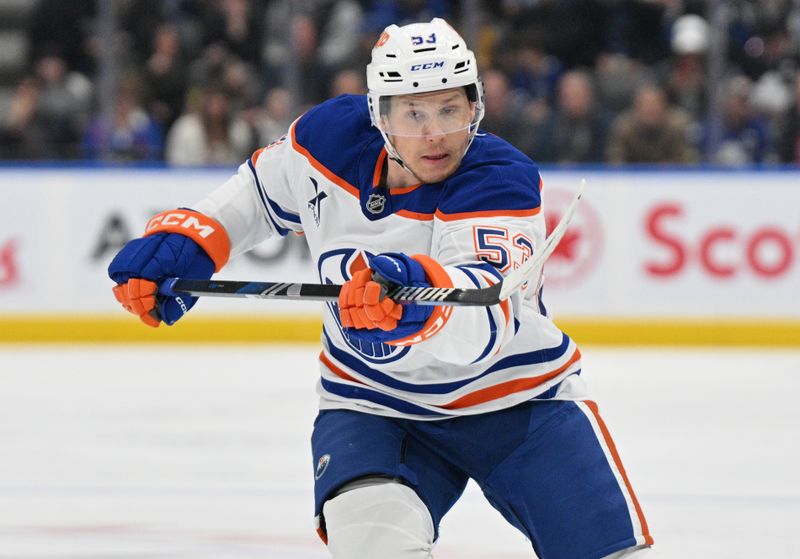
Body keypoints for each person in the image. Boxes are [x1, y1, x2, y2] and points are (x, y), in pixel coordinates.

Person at [108, 18, 653, 559]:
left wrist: (416, 301)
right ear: (379, 114)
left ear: (475, 106)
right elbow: (255, 195)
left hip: (515, 401)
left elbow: (481, 317)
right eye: (414, 113)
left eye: (450, 109)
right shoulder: (328, 140)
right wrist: (188, 242)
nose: (435, 132)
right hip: (373, 406)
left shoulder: (500, 178)